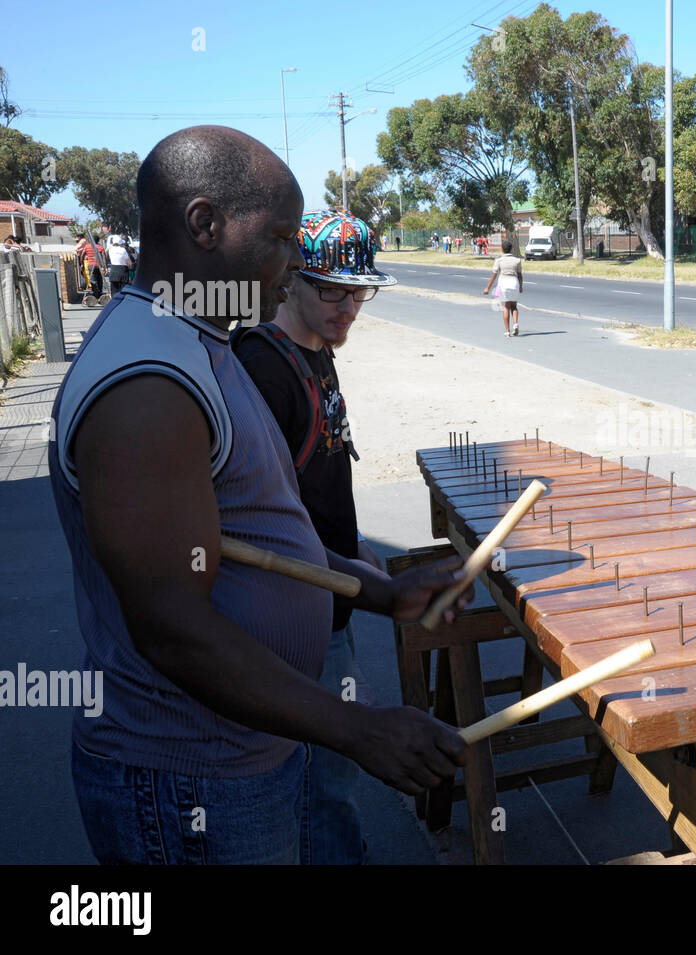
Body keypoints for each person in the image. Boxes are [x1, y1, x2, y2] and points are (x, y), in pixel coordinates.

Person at [48, 126, 470, 865]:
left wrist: (381, 590)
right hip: (187, 785)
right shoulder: (147, 381)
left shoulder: (197, 337)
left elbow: (255, 541)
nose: (294, 263)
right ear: (204, 223)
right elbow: (172, 627)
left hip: (233, 760)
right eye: (279, 237)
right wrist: (358, 729)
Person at [232, 208, 395, 864]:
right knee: (324, 778)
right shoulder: (262, 367)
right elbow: (254, 519)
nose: (349, 306)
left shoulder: (318, 349)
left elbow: (320, 476)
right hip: (295, 613)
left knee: (330, 776)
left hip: (334, 595)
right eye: (332, 289)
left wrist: (356, 551)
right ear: (290, 278)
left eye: (359, 291)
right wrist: (361, 581)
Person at [483, 238, 524, 337]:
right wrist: (521, 286)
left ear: (502, 249)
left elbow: (494, 275)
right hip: (514, 283)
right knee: (514, 306)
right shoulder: (517, 260)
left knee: (506, 307)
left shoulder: (499, 260)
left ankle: (507, 331)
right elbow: (520, 275)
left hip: (504, 283)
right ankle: (515, 324)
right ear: (511, 249)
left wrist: (487, 288)